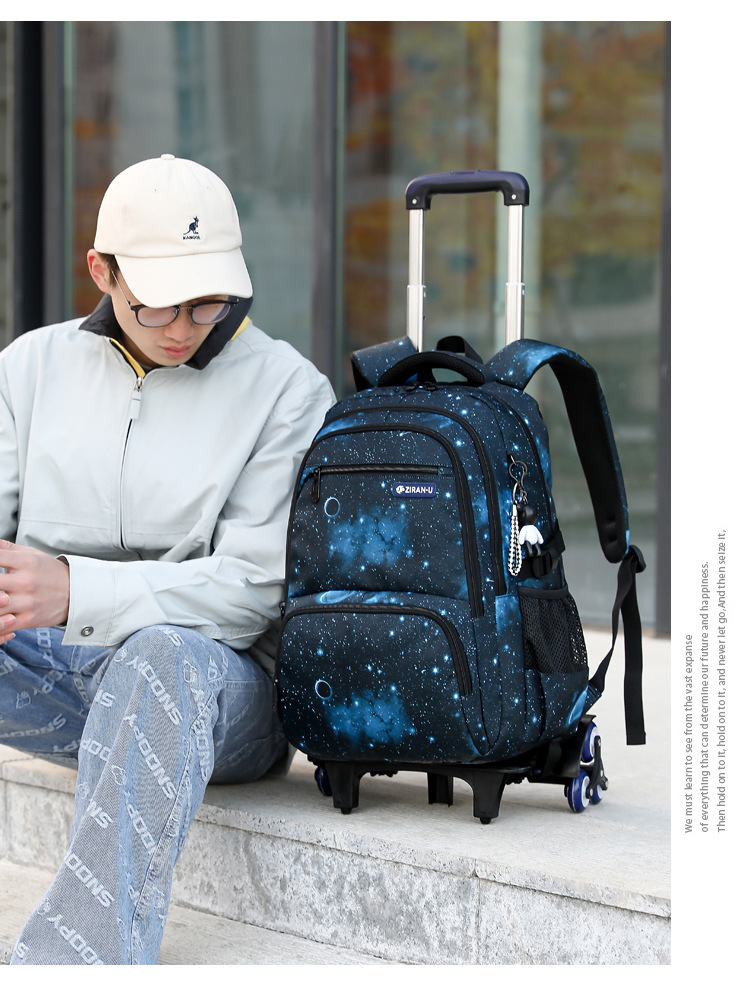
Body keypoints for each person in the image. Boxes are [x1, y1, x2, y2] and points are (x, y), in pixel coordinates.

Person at [0, 153, 335, 965]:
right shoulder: (29, 367)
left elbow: (250, 594)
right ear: (102, 272)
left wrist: (74, 589)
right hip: (63, 676)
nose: (183, 326)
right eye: (156, 303)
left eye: (208, 300)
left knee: (160, 658)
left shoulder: (289, 391)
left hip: (216, 697)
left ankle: (78, 962)